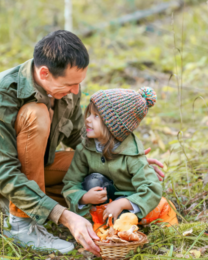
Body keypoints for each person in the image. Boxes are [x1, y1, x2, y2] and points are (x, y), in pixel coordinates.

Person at [0, 30, 165, 255]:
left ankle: (29, 200)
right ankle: (21, 225)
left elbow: (79, 138)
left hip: (35, 162)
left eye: (79, 83)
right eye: (70, 84)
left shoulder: (66, 88)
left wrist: (124, 159)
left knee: (96, 176)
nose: (76, 90)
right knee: (36, 114)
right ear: (44, 73)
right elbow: (4, 170)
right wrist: (65, 217)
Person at [62, 87, 178, 231]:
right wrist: (84, 197)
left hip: (130, 207)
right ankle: (104, 225)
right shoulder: (84, 148)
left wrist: (123, 203)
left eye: (96, 116)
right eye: (89, 114)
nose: (87, 119)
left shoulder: (132, 154)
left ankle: (145, 220)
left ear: (113, 126)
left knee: (160, 208)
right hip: (101, 206)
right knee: (93, 180)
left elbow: (151, 189)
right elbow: (70, 183)